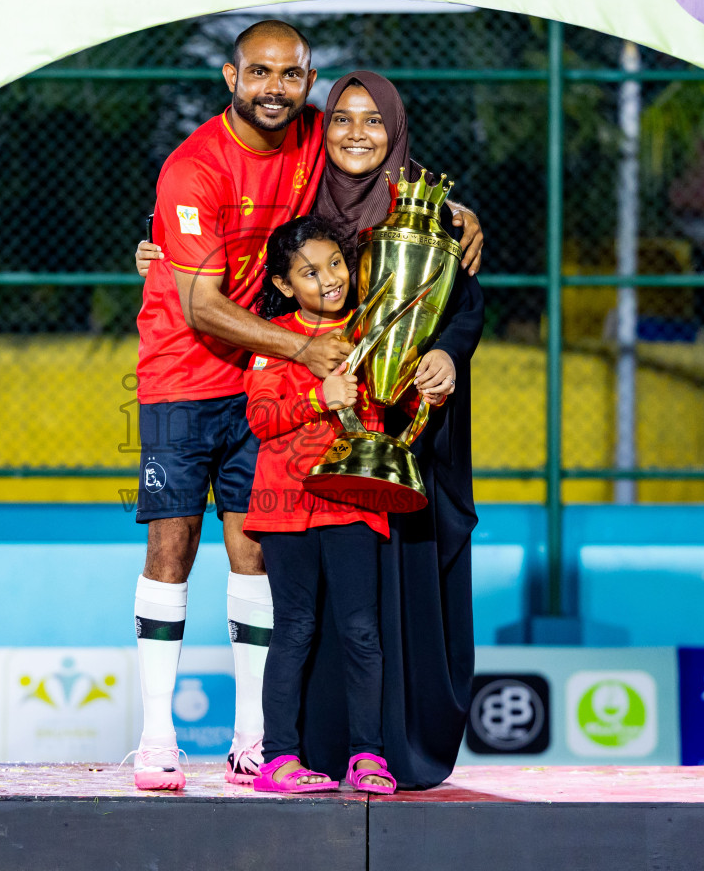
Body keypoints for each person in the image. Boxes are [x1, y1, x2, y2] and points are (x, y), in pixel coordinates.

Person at [137, 70, 485, 789]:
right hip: (297, 473)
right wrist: (157, 249)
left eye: (375, 121)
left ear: (396, 128)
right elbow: (228, 247)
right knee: (300, 616)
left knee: (370, 619)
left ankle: (383, 749)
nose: (357, 134)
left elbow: (463, 306)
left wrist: (446, 350)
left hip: (400, 437)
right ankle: (279, 750)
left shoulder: (425, 210)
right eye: (343, 120)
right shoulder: (301, 185)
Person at [130, 19, 351, 791]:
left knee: (255, 550)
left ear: (308, 77)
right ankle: (156, 739)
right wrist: (301, 349)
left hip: (258, 384)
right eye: (259, 74)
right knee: (172, 548)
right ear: (231, 78)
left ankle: (253, 740)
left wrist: (457, 215)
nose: (275, 89)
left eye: (290, 76)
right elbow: (199, 306)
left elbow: (382, 162)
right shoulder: (193, 168)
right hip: (182, 376)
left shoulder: (313, 134)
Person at [241, 215, 448, 794]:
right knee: (296, 629)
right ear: (285, 286)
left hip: (355, 501)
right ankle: (278, 758)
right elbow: (261, 419)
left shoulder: (375, 329)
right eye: (309, 272)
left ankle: (368, 756)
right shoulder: (272, 339)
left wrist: (423, 384)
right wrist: (318, 396)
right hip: (285, 508)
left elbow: (391, 397)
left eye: (335, 263)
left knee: (361, 631)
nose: (328, 279)